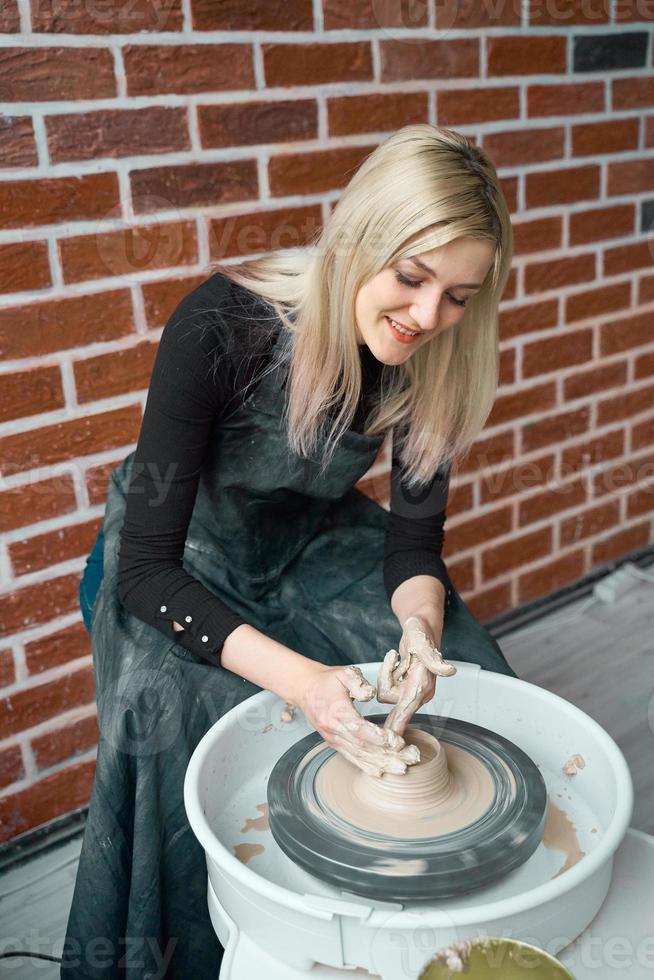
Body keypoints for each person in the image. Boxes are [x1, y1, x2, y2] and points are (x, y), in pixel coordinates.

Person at [62, 124, 517, 979]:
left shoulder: (436, 358)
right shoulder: (218, 324)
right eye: (412, 278)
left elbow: (415, 543)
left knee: (463, 657)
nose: (429, 317)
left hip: (308, 539)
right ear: (358, 241)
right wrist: (307, 684)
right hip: (180, 548)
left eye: (460, 296)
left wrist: (417, 631)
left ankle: (418, 927)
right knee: (169, 713)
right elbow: (147, 568)